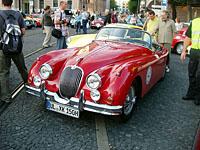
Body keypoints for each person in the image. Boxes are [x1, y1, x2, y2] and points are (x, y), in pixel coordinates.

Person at [0, 0, 28, 103]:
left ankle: (6, 97)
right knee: (22, 68)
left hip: (3, 48)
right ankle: (29, 85)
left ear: (2, 2)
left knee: (4, 72)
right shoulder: (18, 14)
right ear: (12, 3)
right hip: (17, 47)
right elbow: (23, 31)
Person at [181, 17, 200, 105]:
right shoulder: (195, 22)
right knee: (191, 73)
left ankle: (198, 96)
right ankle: (191, 94)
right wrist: (184, 50)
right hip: (194, 52)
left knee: (199, 76)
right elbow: (188, 37)